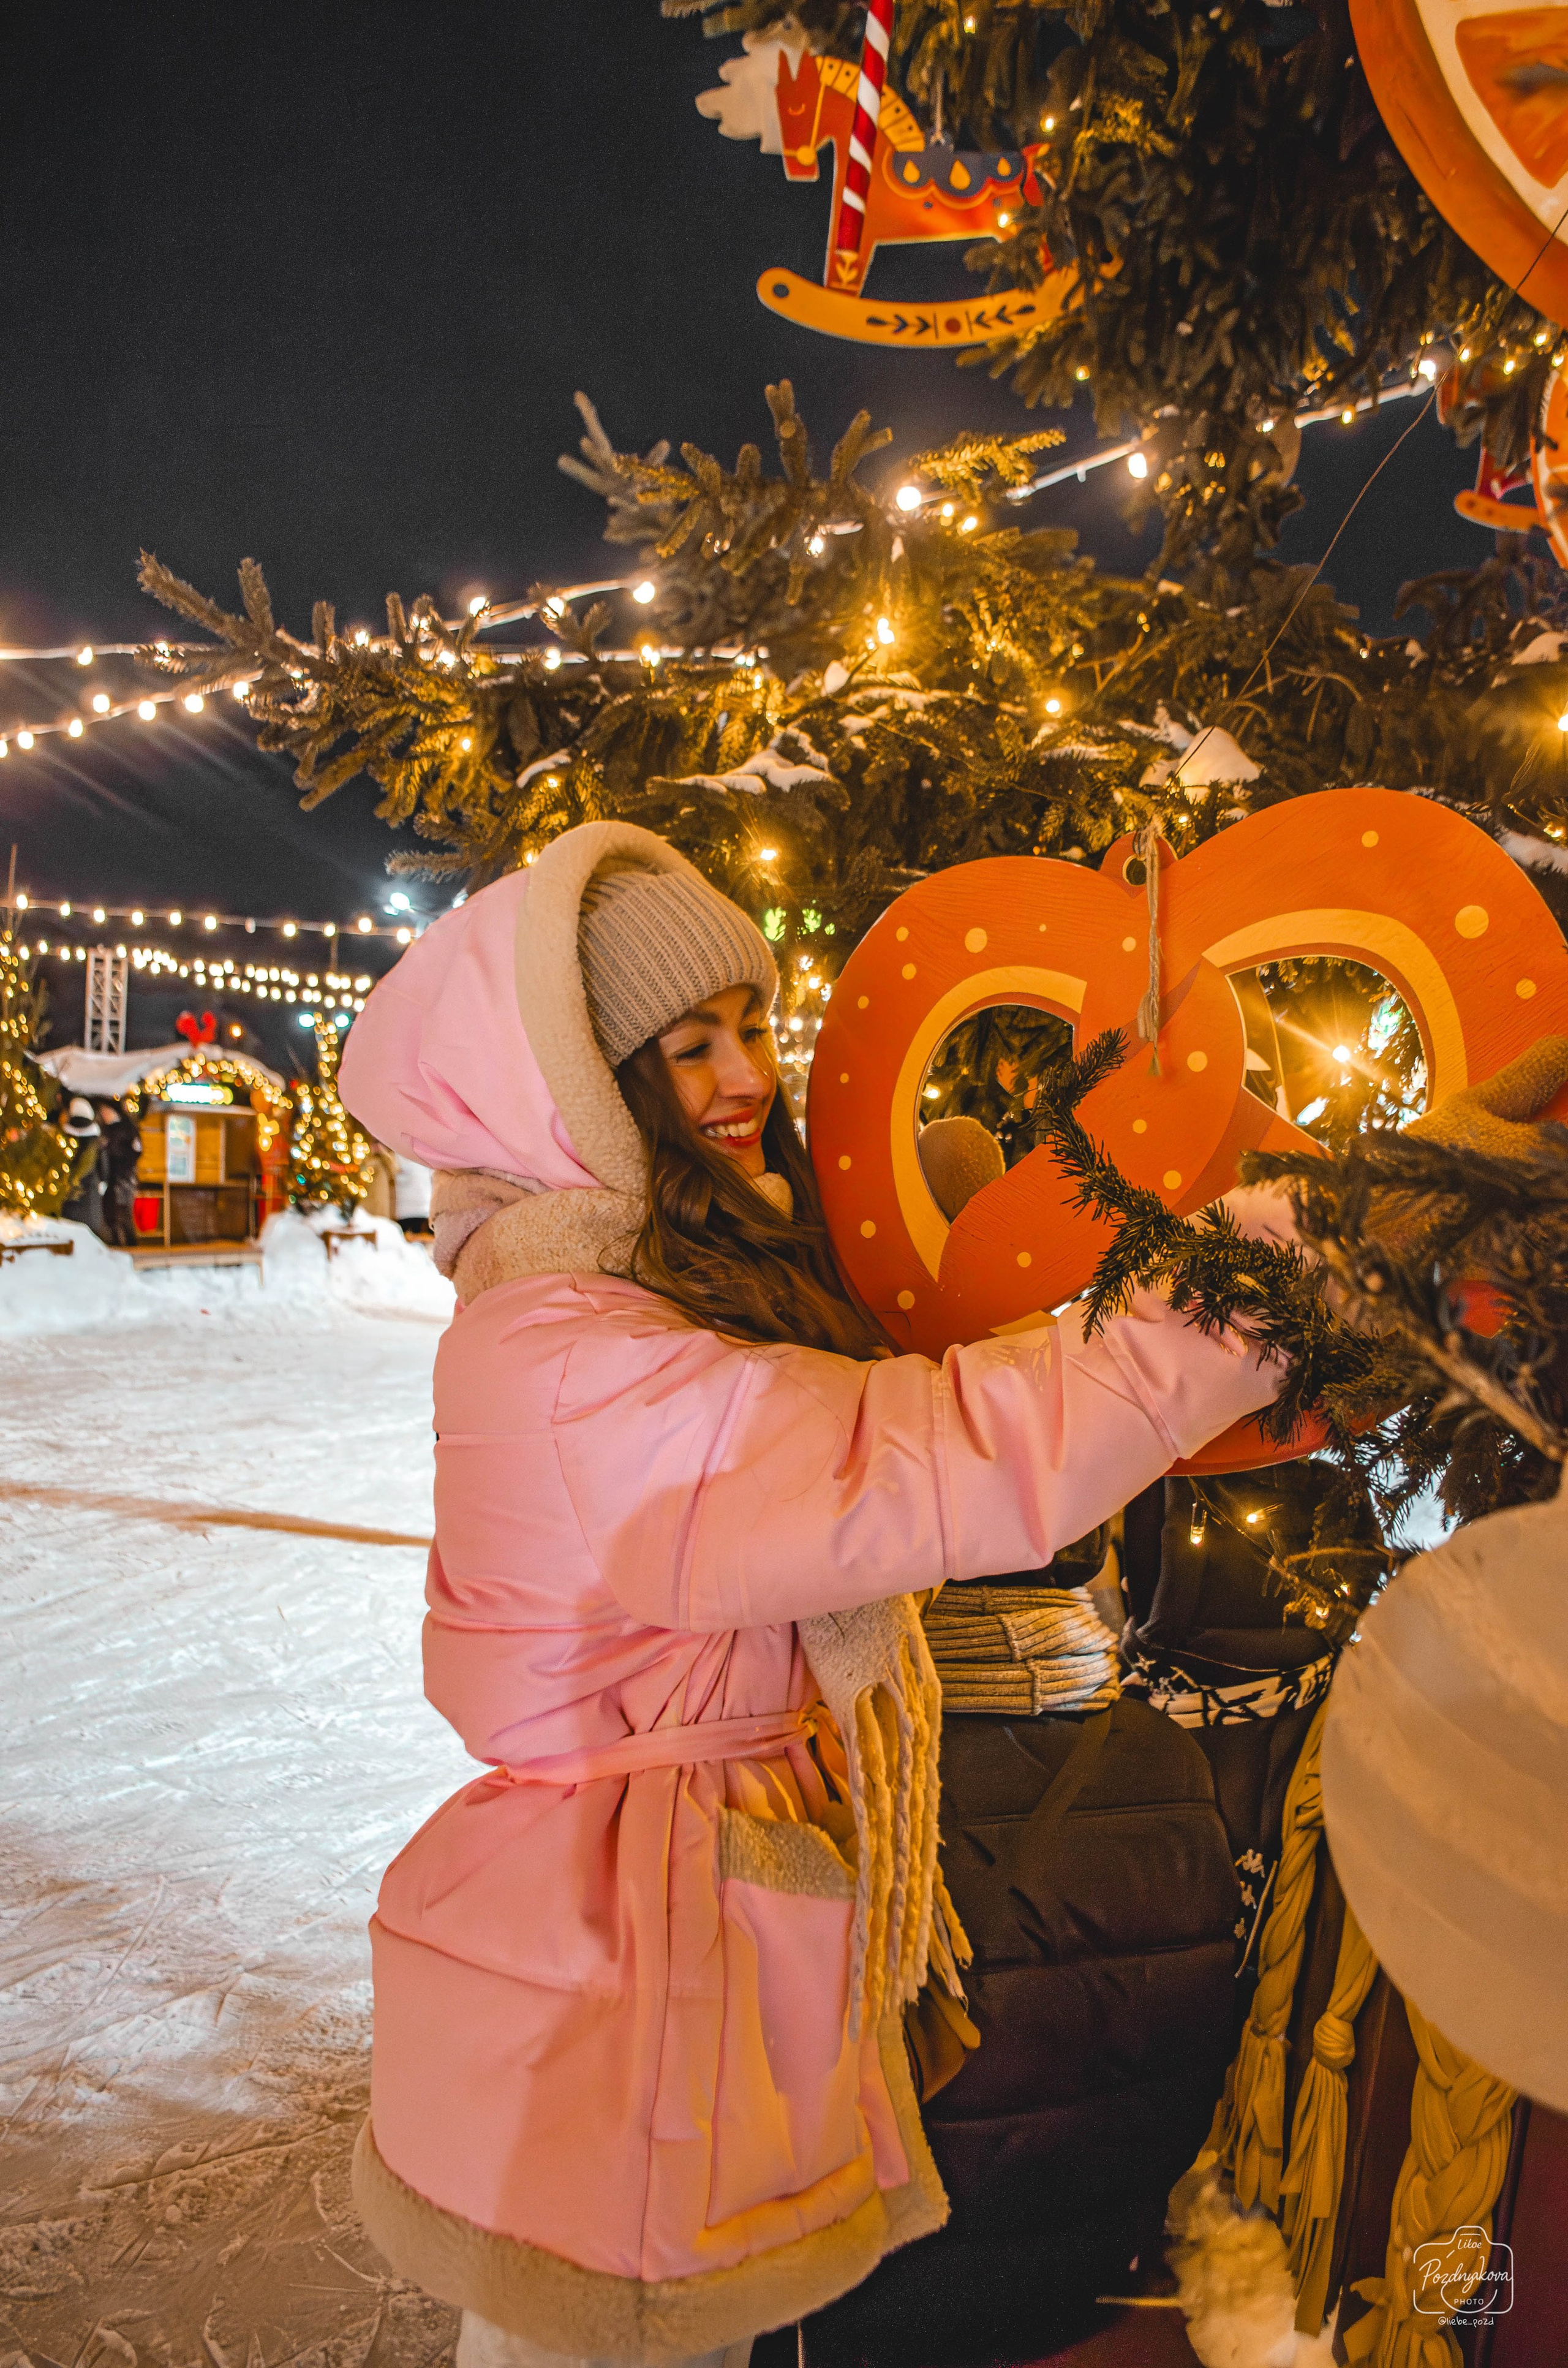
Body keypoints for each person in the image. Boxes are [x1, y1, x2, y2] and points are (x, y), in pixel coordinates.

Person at [328, 820, 1336, 2368]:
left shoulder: (617, 1300)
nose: (744, 1077)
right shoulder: (581, 1362)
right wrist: (1250, 1280)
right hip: (633, 1966)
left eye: (750, 1026)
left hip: (649, 1926)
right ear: (579, 1091)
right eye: (687, 1046)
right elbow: (932, 1452)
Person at [96, 1098, 144, 1248]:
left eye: (106, 1111)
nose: (104, 1114)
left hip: (123, 1177)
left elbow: (136, 1152)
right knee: (113, 1214)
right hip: (112, 1177)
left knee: (122, 1212)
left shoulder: (125, 1129)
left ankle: (129, 1244)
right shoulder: (106, 1131)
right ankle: (120, 1243)